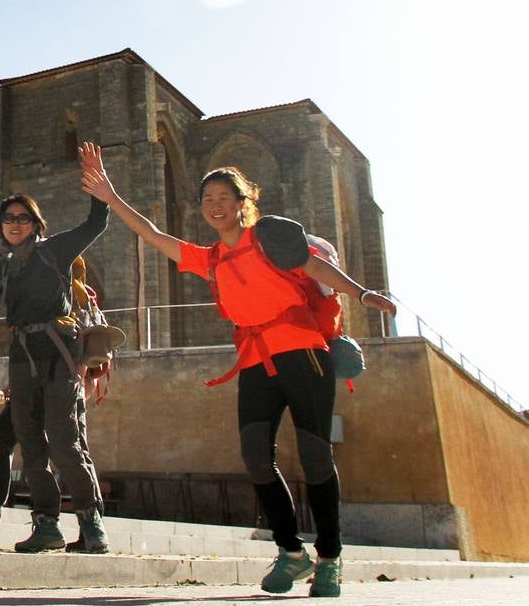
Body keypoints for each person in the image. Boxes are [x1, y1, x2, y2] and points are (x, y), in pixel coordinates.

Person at [79, 141, 397, 598]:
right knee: (255, 456)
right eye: (208, 201)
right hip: (255, 360)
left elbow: (314, 267)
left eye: (224, 199)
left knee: (315, 456)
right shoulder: (211, 259)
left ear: (243, 203)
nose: (215, 207)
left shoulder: (268, 239)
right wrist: (111, 196)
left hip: (304, 353)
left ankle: (330, 558)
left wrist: (363, 294)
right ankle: (292, 553)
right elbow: (152, 235)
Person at [0, 185, 110, 554]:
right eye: (8, 218)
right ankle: (47, 526)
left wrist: (96, 184)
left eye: (22, 218)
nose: (14, 224)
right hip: (22, 359)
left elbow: (97, 222)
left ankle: (92, 525)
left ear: (35, 224)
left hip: (60, 354)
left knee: (64, 442)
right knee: (30, 445)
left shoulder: (54, 251)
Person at [0, 394, 104, 552]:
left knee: (69, 450)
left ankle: (88, 528)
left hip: (59, 387)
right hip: (33, 388)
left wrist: (78, 379)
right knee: (6, 435)